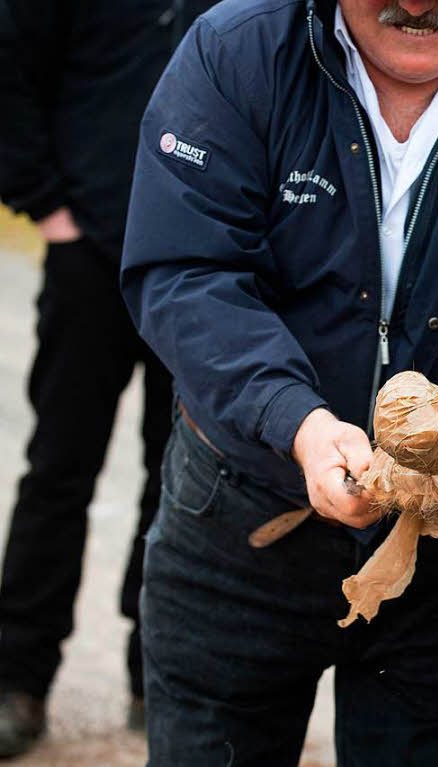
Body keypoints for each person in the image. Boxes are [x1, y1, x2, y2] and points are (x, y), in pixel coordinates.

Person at [121, 0, 438, 763]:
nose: (419, 2)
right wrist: (298, 422)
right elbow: (186, 270)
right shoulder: (236, 56)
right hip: (241, 522)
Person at [0, 0, 215, 756]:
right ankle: (17, 676)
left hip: (201, 267)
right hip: (89, 246)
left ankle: (155, 673)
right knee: (58, 468)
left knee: (182, 472)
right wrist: (44, 203)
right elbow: (11, 67)